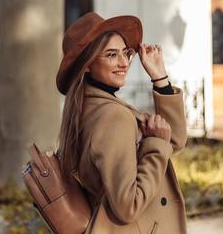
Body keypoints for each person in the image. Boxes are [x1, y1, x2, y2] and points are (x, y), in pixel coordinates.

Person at [56, 12, 187, 233]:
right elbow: (128, 206)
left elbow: (172, 140)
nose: (124, 62)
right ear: (87, 65)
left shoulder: (90, 108)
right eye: (111, 55)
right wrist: (154, 149)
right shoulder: (113, 117)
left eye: (126, 53)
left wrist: (160, 79)